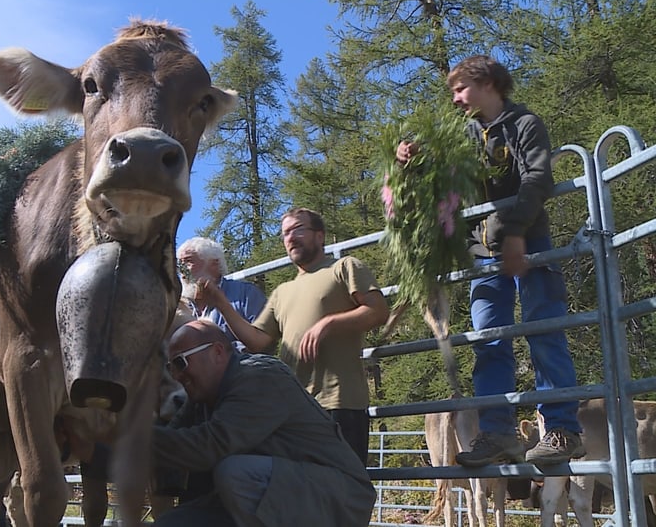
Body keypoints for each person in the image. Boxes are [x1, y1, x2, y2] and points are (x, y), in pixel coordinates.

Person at [396, 54, 583, 467]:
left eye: (461, 89)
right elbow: (439, 179)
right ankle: (498, 432)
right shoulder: (462, 137)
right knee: (488, 339)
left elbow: (538, 178)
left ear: (487, 84)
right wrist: (409, 158)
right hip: (481, 254)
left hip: (530, 242)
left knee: (544, 331)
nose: (457, 99)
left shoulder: (524, 125)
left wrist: (515, 231)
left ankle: (563, 429)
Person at [202, 207, 389, 464]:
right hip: (294, 409)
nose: (290, 237)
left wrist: (328, 323)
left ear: (320, 236)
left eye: (297, 229)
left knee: (342, 491)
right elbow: (257, 341)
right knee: (302, 491)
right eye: (285, 233)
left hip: (339, 403)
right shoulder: (282, 292)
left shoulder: (344, 267)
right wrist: (221, 303)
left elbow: (378, 311)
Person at [151, 319, 376, 526]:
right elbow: (168, 443)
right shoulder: (202, 397)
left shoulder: (259, 377)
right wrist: (120, 438)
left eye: (181, 363)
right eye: (171, 368)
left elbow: (209, 446)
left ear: (217, 352)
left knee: (234, 473)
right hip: (279, 494)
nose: (177, 376)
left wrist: (131, 438)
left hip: (337, 499)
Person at [176, 236, 266, 348]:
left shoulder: (246, 294)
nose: (182, 271)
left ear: (214, 264)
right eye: (180, 264)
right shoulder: (178, 306)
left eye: (188, 261)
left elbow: (263, 343)